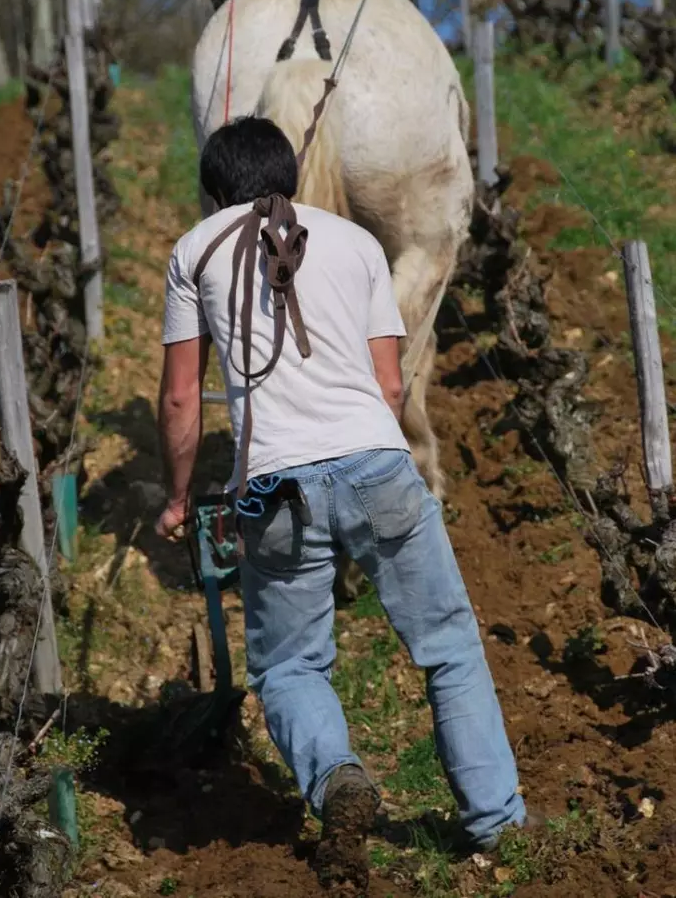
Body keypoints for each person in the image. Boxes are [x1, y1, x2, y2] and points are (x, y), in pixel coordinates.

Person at [156, 115, 527, 893]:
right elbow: (389, 385)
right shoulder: (356, 244)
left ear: (214, 187)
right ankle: (495, 822)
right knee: (449, 647)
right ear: (289, 173)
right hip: (377, 465)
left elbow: (182, 397)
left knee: (290, 665)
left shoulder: (195, 250)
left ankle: (337, 780)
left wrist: (180, 494)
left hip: (274, 484)